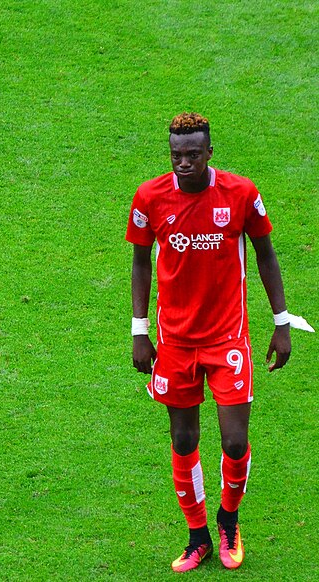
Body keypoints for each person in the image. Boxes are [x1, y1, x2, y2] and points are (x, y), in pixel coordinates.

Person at [126, 113, 291, 571]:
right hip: (175, 342)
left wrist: (281, 322)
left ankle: (228, 521)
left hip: (227, 339)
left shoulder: (240, 194)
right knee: (183, 438)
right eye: (177, 154)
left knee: (235, 442)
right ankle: (197, 535)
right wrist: (140, 330)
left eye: (193, 154)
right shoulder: (149, 197)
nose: (183, 162)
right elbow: (141, 263)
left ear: (209, 154)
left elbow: (266, 254)